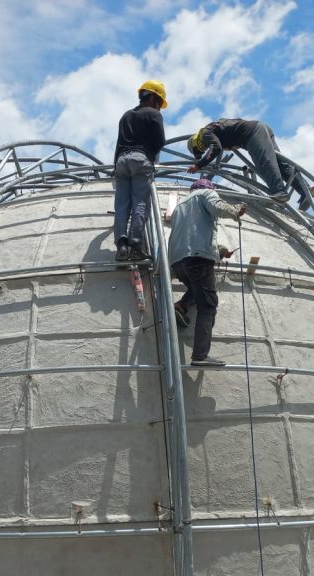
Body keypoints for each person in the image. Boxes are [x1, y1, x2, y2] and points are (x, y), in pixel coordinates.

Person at [168, 179, 246, 367]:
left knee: (198, 288)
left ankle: (181, 306)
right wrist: (235, 211)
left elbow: (190, 236)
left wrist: (219, 251)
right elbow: (217, 206)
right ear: (209, 188)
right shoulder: (206, 194)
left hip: (178, 262)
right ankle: (200, 356)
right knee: (208, 306)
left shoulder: (179, 206)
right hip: (199, 260)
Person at [187, 119, 313, 211]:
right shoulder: (213, 130)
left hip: (251, 133)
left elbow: (216, 149)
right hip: (260, 127)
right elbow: (213, 149)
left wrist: (198, 166)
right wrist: (204, 162)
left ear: (195, 143)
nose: (202, 150)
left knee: (264, 161)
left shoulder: (205, 134)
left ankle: (279, 192)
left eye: (199, 150)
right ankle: (305, 190)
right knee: (280, 164)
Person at [113, 80, 167, 261]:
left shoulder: (126, 115)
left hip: (121, 162)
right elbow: (160, 142)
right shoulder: (153, 114)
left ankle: (121, 245)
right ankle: (136, 246)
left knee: (121, 205)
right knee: (140, 203)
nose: (159, 107)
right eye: (159, 102)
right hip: (140, 160)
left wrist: (115, 167)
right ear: (152, 98)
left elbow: (118, 143)